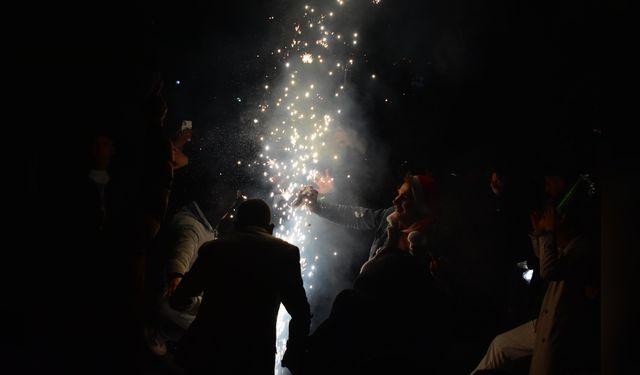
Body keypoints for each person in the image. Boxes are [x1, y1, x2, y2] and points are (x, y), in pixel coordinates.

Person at [471, 172, 599, 374]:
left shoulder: (581, 247)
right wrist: (539, 234)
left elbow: (549, 270)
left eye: (549, 181)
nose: (546, 186)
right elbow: (542, 258)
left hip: (560, 329)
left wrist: (547, 233)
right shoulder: (566, 243)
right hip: (544, 322)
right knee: (500, 345)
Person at [170, 199, 311, 375]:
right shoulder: (286, 254)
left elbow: (179, 298)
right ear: (271, 227)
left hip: (206, 353)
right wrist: (293, 351)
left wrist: (200, 305)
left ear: (236, 224)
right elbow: (301, 313)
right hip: (253, 359)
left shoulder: (214, 248)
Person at [296, 173, 438, 262]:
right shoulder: (389, 217)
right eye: (398, 194)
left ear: (420, 207)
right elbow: (352, 215)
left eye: (405, 198)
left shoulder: (429, 250)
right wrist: (317, 206)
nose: (395, 201)